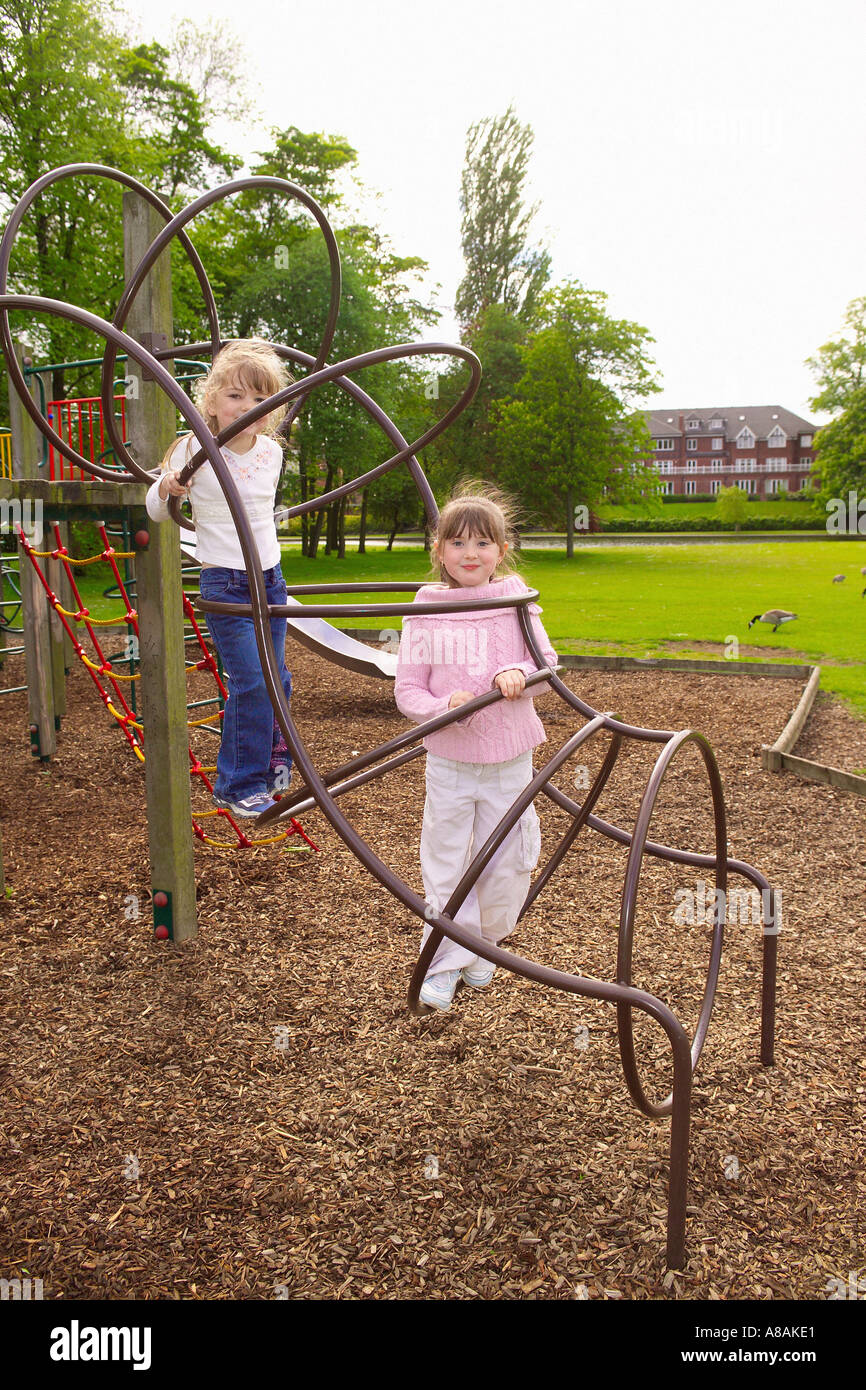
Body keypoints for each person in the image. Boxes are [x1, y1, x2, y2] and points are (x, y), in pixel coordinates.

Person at [394, 483, 558, 1011]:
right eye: (457, 543)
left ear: (502, 551)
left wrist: (518, 672)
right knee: (446, 861)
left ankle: (482, 943)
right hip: (451, 761)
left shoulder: (515, 601)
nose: (470, 554)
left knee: (508, 861)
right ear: (438, 551)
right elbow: (408, 691)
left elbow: (545, 666)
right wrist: (443, 706)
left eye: (483, 544)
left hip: (511, 761)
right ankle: (444, 961)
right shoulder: (427, 608)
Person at [145, 338, 293, 818]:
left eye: (260, 399)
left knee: (279, 681)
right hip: (226, 583)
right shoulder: (193, 448)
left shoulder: (271, 453)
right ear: (210, 400)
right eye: (235, 396)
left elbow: (258, 513)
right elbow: (158, 509)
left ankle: (273, 773)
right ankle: (236, 785)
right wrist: (167, 487)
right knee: (251, 680)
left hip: (270, 580)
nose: (249, 407)